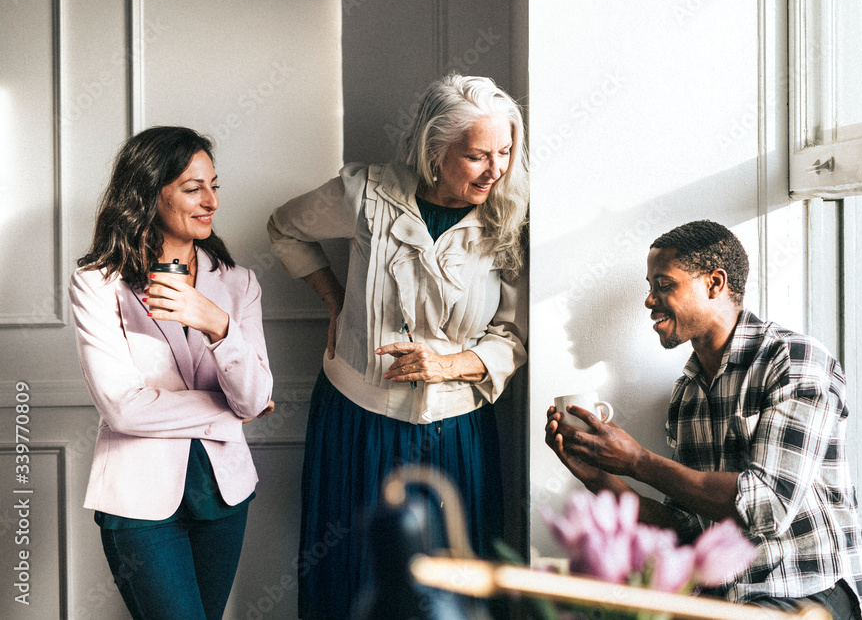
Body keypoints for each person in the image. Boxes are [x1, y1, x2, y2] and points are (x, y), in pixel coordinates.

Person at [268, 73, 528, 619]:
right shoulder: (365, 195)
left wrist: (449, 364)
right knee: (354, 572)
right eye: (478, 156)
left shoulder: (510, 216)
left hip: (455, 429)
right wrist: (333, 297)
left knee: (450, 584)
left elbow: (511, 334)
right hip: (355, 419)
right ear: (435, 149)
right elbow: (285, 226)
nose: (496, 169)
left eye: (505, 152)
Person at [545, 220, 862, 619]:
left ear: (715, 284)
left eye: (664, 285)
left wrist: (637, 461)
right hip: (724, 599)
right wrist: (596, 477)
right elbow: (684, 527)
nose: (649, 300)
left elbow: (767, 506)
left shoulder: (792, 361)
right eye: (650, 287)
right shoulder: (686, 395)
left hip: (809, 591)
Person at [70, 126, 275, 620]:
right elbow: (123, 406)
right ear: (147, 194)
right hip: (138, 503)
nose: (211, 201)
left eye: (213, 185)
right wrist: (228, 413)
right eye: (192, 188)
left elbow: (254, 396)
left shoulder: (239, 284)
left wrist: (216, 323)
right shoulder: (98, 285)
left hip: (225, 497)